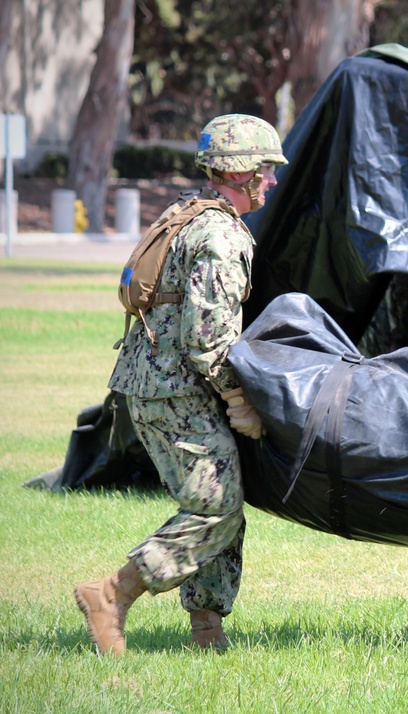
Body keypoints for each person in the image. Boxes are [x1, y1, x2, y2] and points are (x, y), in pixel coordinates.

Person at [73, 114, 286, 656]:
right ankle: (113, 594)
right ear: (240, 173)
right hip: (176, 392)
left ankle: (207, 632)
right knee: (216, 510)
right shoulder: (219, 235)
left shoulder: (187, 211)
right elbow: (209, 339)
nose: (273, 180)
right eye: (266, 169)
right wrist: (242, 400)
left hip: (160, 384)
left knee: (223, 503)